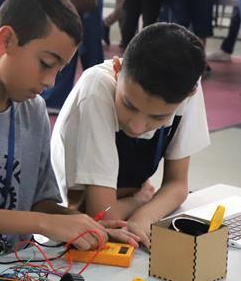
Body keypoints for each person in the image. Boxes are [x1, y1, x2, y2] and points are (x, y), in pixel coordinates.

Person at [0, 0, 136, 261]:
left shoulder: (34, 110)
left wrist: (82, 224)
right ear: (6, 40)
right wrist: (46, 224)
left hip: (14, 271)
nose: (49, 82)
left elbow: (40, 201)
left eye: (60, 71)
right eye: (46, 64)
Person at [50, 23, 209, 246]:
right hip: (74, 228)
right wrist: (140, 200)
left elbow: (177, 185)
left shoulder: (184, 88)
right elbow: (102, 216)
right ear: (117, 68)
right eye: (128, 105)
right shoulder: (96, 90)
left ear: (189, 95)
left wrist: (143, 218)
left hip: (122, 216)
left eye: (157, 117)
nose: (136, 126)